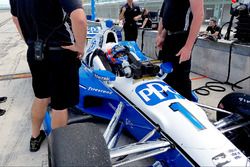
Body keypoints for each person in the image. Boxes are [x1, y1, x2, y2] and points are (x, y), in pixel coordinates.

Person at [9, 0, 87, 152]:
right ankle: (59, 149)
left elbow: (15, 18)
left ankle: (35, 137)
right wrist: (80, 46)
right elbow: (79, 18)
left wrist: (30, 42)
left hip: (35, 51)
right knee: (59, 105)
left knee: (41, 97)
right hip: (60, 52)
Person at [156, 0, 204, 100]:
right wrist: (161, 35)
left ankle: (186, 107)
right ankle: (169, 105)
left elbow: (199, 15)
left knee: (181, 78)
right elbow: (168, 15)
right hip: (169, 38)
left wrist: (188, 47)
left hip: (182, 38)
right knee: (167, 75)